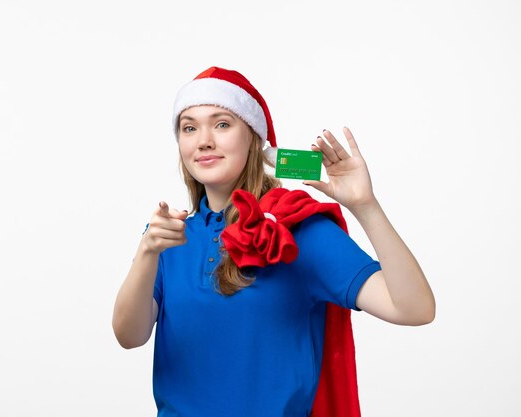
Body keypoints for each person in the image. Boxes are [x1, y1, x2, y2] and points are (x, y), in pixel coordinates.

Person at [112, 66, 436, 417]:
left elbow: (414, 309)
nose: (203, 140)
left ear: (253, 138)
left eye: (222, 124)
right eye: (189, 127)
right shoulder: (168, 238)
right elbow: (130, 336)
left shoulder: (299, 231)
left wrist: (365, 206)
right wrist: (146, 251)